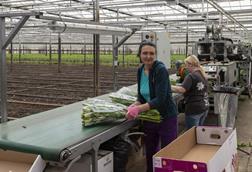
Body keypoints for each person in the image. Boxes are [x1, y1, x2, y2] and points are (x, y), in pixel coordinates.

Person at [126, 41, 178, 172]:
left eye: (151, 53)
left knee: (168, 152)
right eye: (145, 53)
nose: (148, 56)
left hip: (166, 117)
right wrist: (132, 106)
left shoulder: (160, 70)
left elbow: (160, 99)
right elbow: (141, 96)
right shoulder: (140, 70)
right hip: (150, 118)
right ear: (140, 54)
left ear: (155, 55)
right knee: (150, 152)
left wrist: (138, 109)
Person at [171, 55, 209, 129]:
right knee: (198, 132)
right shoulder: (202, 74)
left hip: (194, 109)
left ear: (191, 64)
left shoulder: (191, 76)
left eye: (186, 65)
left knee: (192, 135)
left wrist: (167, 86)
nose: (186, 67)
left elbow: (181, 89)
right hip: (204, 107)